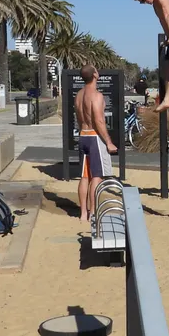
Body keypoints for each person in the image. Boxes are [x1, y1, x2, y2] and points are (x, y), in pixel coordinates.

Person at [74, 64, 117, 222]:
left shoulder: (78, 95)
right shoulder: (97, 96)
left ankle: (83, 214)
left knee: (85, 177)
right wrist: (109, 142)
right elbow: (99, 121)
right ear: (95, 75)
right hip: (94, 137)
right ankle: (92, 212)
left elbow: (79, 119)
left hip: (83, 136)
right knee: (97, 177)